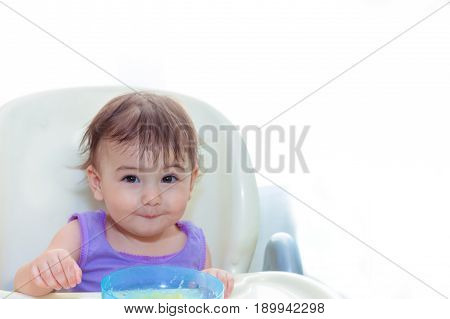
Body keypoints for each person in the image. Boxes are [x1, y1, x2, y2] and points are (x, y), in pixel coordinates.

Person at [13, 91, 234, 298]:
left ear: (191, 181)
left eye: (169, 179)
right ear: (97, 182)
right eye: (131, 178)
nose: (151, 198)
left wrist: (213, 282)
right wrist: (44, 272)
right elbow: (21, 287)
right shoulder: (82, 235)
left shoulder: (196, 246)